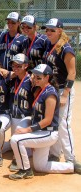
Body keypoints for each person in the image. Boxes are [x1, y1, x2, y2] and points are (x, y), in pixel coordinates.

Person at [9, 64, 77, 180]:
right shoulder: (41, 90)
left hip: (48, 133)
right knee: (40, 166)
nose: (35, 79)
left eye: (39, 77)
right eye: (34, 77)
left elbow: (47, 120)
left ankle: (25, 170)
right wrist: (33, 139)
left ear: (47, 78)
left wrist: (28, 131)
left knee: (16, 140)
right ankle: (70, 167)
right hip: (40, 132)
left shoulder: (50, 93)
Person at [42, 18, 81, 173]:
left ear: (60, 30)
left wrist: (65, 94)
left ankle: (71, 158)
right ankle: (55, 154)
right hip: (52, 89)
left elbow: (72, 72)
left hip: (63, 90)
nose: (49, 32)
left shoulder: (66, 48)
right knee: (55, 122)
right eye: (47, 30)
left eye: (52, 30)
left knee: (63, 124)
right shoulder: (48, 45)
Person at [7, 53, 34, 171]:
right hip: (14, 115)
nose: (16, 68)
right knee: (14, 142)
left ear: (26, 66)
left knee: (21, 146)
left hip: (26, 117)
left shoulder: (32, 80)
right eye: (14, 65)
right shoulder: (14, 80)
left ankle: (18, 160)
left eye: (19, 65)